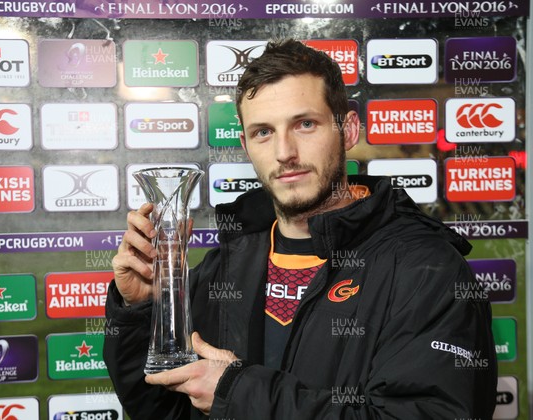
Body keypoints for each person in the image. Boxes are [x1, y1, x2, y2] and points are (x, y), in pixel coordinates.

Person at [104, 39, 497, 419]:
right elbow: (163, 411)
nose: (284, 152)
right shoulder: (225, 267)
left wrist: (238, 393)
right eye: (263, 132)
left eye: (305, 124)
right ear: (245, 145)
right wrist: (144, 312)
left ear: (348, 130)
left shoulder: (425, 270)